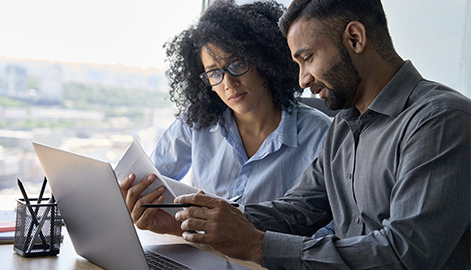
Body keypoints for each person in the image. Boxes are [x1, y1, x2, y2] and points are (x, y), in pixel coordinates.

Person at [122, 0, 471, 268]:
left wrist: (257, 246)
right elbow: (297, 211)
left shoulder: (440, 120)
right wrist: (189, 222)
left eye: (307, 58)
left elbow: (404, 255)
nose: (302, 79)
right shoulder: (345, 127)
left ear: (355, 38)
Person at [129, 0, 330, 205]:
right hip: (192, 238)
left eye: (237, 64)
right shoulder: (195, 124)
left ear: (265, 62)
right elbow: (150, 181)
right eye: (214, 73)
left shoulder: (320, 133)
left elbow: (331, 226)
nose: (228, 83)